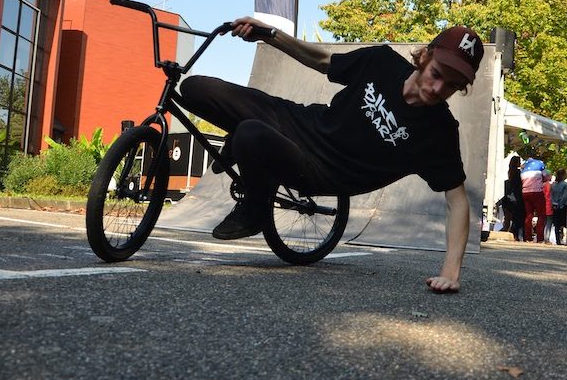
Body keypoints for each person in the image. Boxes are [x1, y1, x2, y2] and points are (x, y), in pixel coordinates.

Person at [180, 20, 484, 293]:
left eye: (452, 86)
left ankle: (255, 209)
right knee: (196, 88)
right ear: (424, 56)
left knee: (250, 133)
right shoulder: (382, 62)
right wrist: (270, 35)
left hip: (323, 170)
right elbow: (323, 60)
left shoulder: (439, 132)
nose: (438, 88)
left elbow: (456, 201)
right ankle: (245, 147)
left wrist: (450, 272)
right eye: (436, 74)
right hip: (301, 122)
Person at [520, 157, 549, 243]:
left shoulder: (524, 168)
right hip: (537, 192)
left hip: (525, 192)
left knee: (529, 215)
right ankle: (540, 238)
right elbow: (546, 177)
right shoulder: (540, 164)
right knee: (541, 215)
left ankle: (528, 237)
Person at [499, 155, 524, 241]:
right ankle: (514, 235)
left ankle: (504, 233)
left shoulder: (510, 171)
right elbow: (518, 185)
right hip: (516, 198)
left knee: (507, 219)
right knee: (517, 218)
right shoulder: (518, 172)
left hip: (508, 198)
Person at [551, 168, 567, 246]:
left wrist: (554, 204)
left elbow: (552, 196)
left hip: (555, 206)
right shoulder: (565, 185)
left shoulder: (553, 185)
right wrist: (561, 204)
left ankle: (558, 240)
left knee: (557, 225)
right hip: (564, 206)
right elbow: (565, 196)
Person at [543, 170, 554, 244]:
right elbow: (550, 196)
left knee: (544, 223)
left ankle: (544, 237)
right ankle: (546, 238)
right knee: (549, 223)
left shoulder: (542, 185)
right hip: (549, 206)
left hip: (543, 206)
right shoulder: (549, 185)